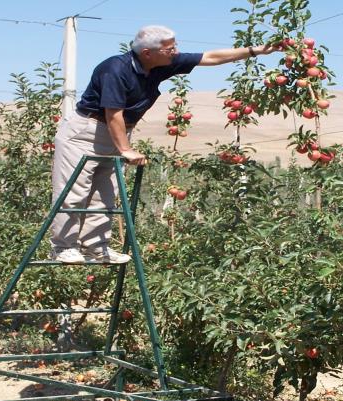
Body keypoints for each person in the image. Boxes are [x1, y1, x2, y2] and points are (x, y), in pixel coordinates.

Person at [49, 25, 278, 264]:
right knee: (74, 192)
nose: (175, 51)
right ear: (147, 52)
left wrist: (257, 50)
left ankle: (96, 248)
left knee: (105, 195)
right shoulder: (115, 69)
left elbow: (210, 57)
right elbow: (113, 114)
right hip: (86, 133)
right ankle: (63, 247)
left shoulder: (161, 64)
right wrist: (126, 149)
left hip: (116, 133)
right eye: (170, 48)